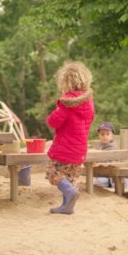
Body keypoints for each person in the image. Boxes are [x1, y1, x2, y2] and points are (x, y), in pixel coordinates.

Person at [45, 61, 95, 215]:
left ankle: (70, 194)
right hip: (80, 149)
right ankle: (67, 207)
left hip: (64, 149)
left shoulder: (66, 102)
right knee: (71, 176)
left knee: (53, 172)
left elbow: (54, 122)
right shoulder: (88, 101)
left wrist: (52, 115)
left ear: (65, 82)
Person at [92, 122, 127, 189]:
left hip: (113, 174)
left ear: (112, 135)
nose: (105, 136)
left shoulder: (113, 147)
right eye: (102, 134)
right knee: (99, 181)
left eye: (107, 134)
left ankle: (112, 184)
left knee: (123, 181)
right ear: (99, 135)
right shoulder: (99, 147)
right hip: (103, 175)